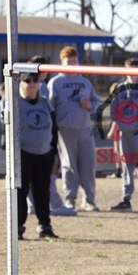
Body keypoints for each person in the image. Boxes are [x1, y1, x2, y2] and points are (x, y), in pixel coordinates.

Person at [48, 46, 103, 212]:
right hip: (65, 130)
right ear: (62, 62)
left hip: (85, 129)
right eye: (68, 60)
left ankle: (89, 199)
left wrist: (90, 105)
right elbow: (50, 107)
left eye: (74, 60)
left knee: (88, 164)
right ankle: (70, 198)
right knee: (69, 165)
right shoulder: (56, 82)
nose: (72, 63)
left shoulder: (85, 82)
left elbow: (98, 103)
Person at [28, 55, 76, 217]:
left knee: (29, 175)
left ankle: (33, 205)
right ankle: (54, 205)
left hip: (31, 138)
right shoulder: (40, 86)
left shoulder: (25, 85)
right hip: (42, 138)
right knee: (46, 174)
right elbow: (48, 113)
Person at [108, 58, 138, 213]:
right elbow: (113, 110)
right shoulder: (120, 88)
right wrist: (121, 125)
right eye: (129, 68)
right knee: (126, 166)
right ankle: (126, 199)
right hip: (124, 134)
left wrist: (130, 125)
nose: (132, 72)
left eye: (135, 68)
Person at [17, 72, 59, 240]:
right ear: (21, 84)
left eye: (35, 80)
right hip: (24, 154)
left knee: (43, 191)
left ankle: (45, 226)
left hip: (44, 154)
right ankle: (18, 227)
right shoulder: (16, 104)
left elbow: (54, 127)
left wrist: (53, 150)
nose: (32, 84)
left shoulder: (45, 103)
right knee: (21, 191)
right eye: (27, 81)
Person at [107, 82, 123, 178]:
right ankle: (120, 170)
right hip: (124, 125)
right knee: (119, 150)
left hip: (118, 126)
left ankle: (119, 170)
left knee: (118, 150)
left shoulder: (116, 101)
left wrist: (111, 131)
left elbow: (116, 118)